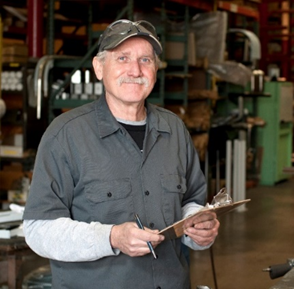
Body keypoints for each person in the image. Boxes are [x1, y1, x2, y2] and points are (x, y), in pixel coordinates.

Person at [23, 19, 220, 289]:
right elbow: (38, 230)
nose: (135, 70)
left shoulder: (173, 129)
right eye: (123, 58)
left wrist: (199, 229)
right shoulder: (65, 136)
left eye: (145, 60)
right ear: (99, 67)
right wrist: (112, 237)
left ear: (155, 70)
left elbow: (191, 202)